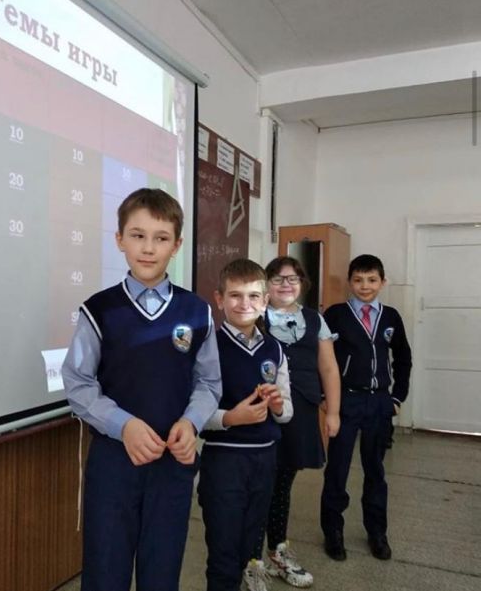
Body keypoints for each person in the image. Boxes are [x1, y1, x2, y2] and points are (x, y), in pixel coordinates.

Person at [62, 188, 222, 591]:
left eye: (161, 237)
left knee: (162, 573)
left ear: (177, 245)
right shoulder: (99, 310)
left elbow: (208, 382)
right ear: (120, 240)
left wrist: (192, 422)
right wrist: (124, 425)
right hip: (114, 463)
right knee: (105, 572)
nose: (148, 248)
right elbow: (78, 383)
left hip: (172, 462)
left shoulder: (196, 311)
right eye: (137, 235)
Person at [198, 258, 293, 591]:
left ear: (265, 301)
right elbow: (193, 413)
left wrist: (278, 405)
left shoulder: (275, 348)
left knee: (249, 547)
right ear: (219, 299)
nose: (244, 304)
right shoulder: (207, 347)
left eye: (253, 296)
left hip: (265, 459)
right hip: (225, 460)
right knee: (223, 552)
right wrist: (230, 418)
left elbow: (287, 412)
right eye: (235, 295)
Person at [252, 256, 341, 588]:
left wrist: (333, 412)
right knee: (258, 483)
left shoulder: (315, 320)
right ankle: (251, 559)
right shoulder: (255, 315)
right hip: (261, 410)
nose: (285, 285)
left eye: (292, 279)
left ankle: (277, 552)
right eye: (277, 279)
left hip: (301, 410)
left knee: (283, 483)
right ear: (266, 285)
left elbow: (329, 368)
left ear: (302, 283)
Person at [320, 254, 412, 561]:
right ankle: (333, 532)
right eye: (358, 280)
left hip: (379, 403)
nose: (365, 286)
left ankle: (377, 532)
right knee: (338, 469)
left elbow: (403, 358)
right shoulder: (336, 315)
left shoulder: (391, 317)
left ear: (382, 282)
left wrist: (397, 398)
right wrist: (324, 398)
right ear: (349, 282)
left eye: (372, 280)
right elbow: (322, 359)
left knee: (375, 471)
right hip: (346, 401)